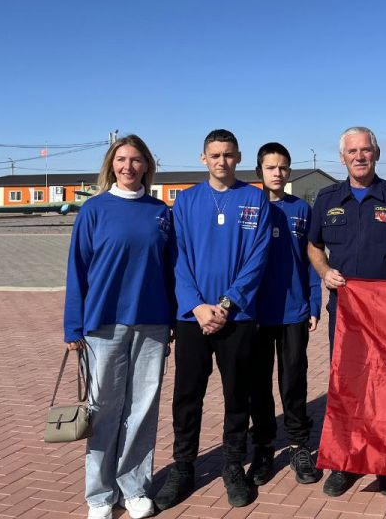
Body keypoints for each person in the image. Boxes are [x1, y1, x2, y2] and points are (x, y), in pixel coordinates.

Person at [154, 129, 272, 511]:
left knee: (239, 393)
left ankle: (233, 463)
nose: (222, 162)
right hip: (193, 317)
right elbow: (178, 258)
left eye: (229, 155)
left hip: (237, 316)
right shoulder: (186, 201)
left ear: (238, 158)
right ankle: (184, 465)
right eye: (215, 155)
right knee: (187, 394)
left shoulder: (255, 198)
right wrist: (198, 306)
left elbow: (258, 257)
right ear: (203, 158)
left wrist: (226, 303)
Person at [308, 126, 386, 499]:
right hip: (346, 314)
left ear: (377, 153)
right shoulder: (327, 199)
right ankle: (345, 463)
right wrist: (325, 272)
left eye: (366, 150)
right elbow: (313, 247)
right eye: (352, 151)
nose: (360, 156)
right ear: (342, 157)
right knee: (347, 386)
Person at [63, 135, 174, 519]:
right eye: (122, 159)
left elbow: (171, 270)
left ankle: (135, 487)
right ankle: (99, 495)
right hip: (103, 326)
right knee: (103, 410)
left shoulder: (160, 212)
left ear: (147, 166)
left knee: (142, 409)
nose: (129, 166)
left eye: (136, 160)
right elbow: (77, 271)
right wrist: (73, 328)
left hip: (153, 323)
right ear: (112, 164)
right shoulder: (93, 211)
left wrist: (174, 318)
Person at [246, 142, 322, 487]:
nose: (277, 173)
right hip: (255, 313)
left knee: (293, 381)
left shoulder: (301, 209)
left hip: (294, 310)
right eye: (271, 167)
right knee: (258, 383)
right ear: (259, 171)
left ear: (289, 171)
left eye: (283, 167)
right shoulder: (247, 206)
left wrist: (313, 301)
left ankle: (298, 444)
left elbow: (311, 258)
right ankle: (262, 446)